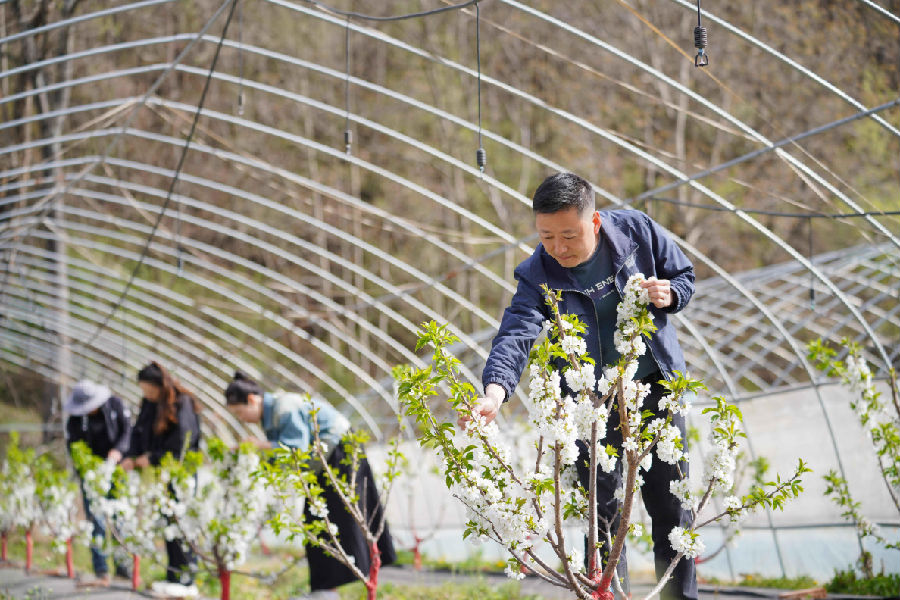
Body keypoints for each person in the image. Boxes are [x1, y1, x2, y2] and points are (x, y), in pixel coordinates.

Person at [475, 172, 698, 600]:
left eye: (569, 235)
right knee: (602, 515)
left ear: (593, 222)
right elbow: (516, 332)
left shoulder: (637, 232)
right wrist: (494, 391)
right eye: (546, 236)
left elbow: (683, 275)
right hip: (588, 405)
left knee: (671, 506)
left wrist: (670, 294)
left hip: (653, 388)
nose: (558, 248)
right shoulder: (537, 273)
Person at [224, 372, 396, 600]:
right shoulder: (271, 416)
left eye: (240, 412)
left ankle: (336, 587)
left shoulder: (284, 407)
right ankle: (325, 590)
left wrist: (260, 445)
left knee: (343, 517)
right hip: (324, 461)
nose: (242, 418)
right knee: (317, 522)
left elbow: (297, 447)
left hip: (340, 452)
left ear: (253, 400)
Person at [121, 362, 201, 598]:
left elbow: (183, 441)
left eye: (149, 389)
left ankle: (187, 578)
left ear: (160, 386)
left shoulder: (181, 403)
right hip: (160, 472)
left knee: (181, 523)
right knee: (168, 523)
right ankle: (173, 576)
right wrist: (132, 456)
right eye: (143, 390)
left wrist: (153, 458)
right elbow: (138, 431)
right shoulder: (150, 404)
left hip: (179, 472)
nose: (146, 394)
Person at [64, 380, 133, 586]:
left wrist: (118, 452)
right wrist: (86, 468)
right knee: (96, 520)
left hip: (116, 469)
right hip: (91, 474)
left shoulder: (115, 406)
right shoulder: (76, 419)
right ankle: (101, 569)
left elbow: (127, 431)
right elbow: (74, 445)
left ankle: (123, 566)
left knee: (119, 516)